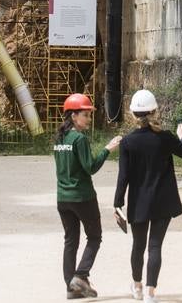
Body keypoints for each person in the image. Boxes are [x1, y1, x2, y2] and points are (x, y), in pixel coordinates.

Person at [113, 88, 182, 302]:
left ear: (133, 114)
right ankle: (150, 292)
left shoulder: (128, 142)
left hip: (139, 201)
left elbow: (123, 177)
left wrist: (117, 203)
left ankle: (137, 286)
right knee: (155, 246)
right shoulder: (165, 137)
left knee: (138, 246)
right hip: (163, 200)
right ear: (154, 111)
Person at [54, 92, 122, 299]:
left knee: (70, 241)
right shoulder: (79, 138)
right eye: (86, 115)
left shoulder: (59, 138)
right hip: (82, 197)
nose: (89, 119)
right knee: (94, 237)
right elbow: (90, 167)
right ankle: (81, 275)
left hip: (63, 198)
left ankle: (71, 287)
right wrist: (107, 149)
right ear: (73, 116)